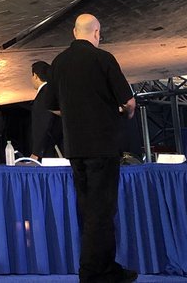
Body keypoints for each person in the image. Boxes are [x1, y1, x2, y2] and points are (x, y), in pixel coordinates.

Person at [48, 14, 138, 283]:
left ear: (74, 32)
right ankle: (94, 271)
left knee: (87, 209)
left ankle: (100, 268)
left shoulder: (59, 62)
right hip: (103, 145)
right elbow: (129, 101)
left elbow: (51, 104)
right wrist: (122, 113)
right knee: (103, 211)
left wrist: (75, 115)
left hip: (74, 147)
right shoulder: (104, 59)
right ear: (97, 32)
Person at [29, 59, 63, 160]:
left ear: (35, 76)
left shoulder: (43, 96)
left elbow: (43, 124)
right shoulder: (55, 92)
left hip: (48, 151)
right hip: (60, 146)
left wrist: (37, 152)